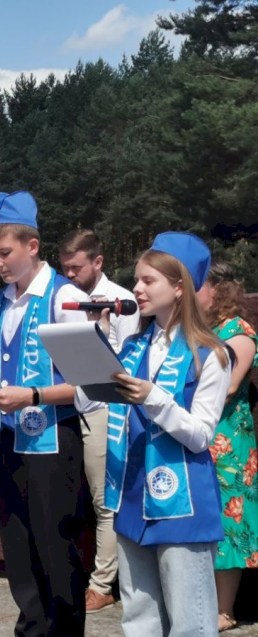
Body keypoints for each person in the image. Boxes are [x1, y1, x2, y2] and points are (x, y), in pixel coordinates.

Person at [78, 231, 231, 636]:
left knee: (190, 621)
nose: (137, 289)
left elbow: (200, 435)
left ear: (179, 287)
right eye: (137, 280)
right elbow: (89, 399)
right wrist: (94, 345)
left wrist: (154, 398)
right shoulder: (132, 346)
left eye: (148, 280)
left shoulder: (212, 354)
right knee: (139, 618)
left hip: (182, 503)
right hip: (131, 495)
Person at [0, 191, 89, 636]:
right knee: (18, 547)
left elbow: (92, 385)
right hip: (3, 439)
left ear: (32, 245)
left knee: (55, 545)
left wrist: (34, 395)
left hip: (52, 440)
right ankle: (30, 628)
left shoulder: (65, 298)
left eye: (5, 253)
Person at [58, 228, 140, 613]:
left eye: (76, 267)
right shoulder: (65, 301)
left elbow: (128, 364)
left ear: (98, 261)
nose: (70, 274)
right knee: (78, 500)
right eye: (65, 268)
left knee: (104, 500)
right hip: (69, 408)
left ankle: (102, 585)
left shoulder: (122, 302)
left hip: (105, 411)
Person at [196, 262, 258, 633]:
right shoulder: (201, 329)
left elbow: (229, 387)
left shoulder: (239, 332)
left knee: (229, 524)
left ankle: (224, 610)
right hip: (200, 435)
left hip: (228, 443)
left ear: (217, 289)